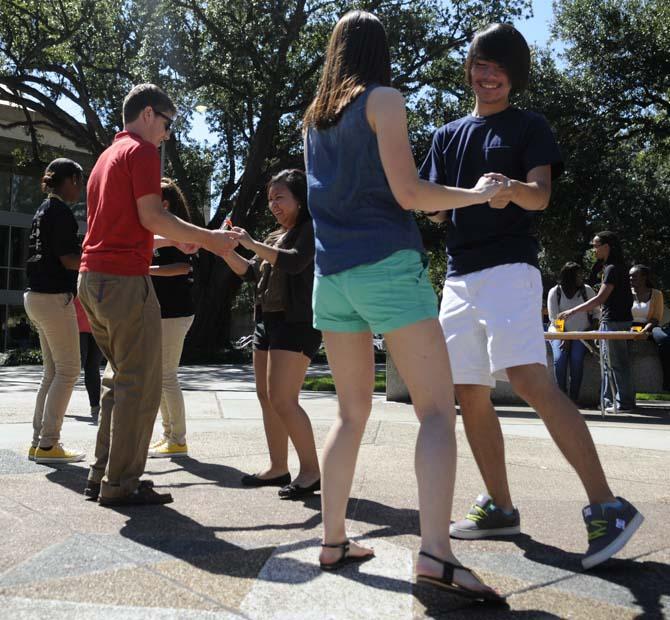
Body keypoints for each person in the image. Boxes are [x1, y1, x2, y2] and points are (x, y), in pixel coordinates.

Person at [421, 24, 642, 569]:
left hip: (510, 270)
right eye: (480, 64)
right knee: (467, 391)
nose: (487, 75)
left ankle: (607, 505)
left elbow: (540, 196)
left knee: (527, 377)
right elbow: (429, 206)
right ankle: (498, 506)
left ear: (514, 77)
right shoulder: (446, 134)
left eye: (499, 68)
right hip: (458, 276)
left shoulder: (529, 126)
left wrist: (511, 191)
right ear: (469, 68)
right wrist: (461, 199)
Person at [304, 11, 505, 601]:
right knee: (438, 412)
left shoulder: (313, 119)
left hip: (330, 277)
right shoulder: (383, 99)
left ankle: (334, 539)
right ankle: (437, 556)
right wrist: (478, 195)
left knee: (349, 413)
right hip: (387, 268)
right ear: (379, 50)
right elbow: (409, 193)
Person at [78, 83, 239, 507]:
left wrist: (174, 242)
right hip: (125, 282)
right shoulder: (143, 152)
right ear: (148, 114)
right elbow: (153, 215)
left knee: (118, 381)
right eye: (167, 123)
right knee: (141, 385)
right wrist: (210, 240)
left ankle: (103, 475)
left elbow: (126, 229)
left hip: (92, 279)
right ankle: (121, 483)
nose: (167, 134)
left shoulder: (104, 158)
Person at [221, 169, 322, 499]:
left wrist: (251, 242)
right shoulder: (276, 235)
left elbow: (293, 264)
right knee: (266, 397)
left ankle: (311, 472)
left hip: (297, 323)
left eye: (280, 197)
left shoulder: (311, 229)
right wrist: (224, 250)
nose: (273, 205)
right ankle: (278, 467)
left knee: (283, 398)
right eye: (270, 199)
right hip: (267, 320)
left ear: (299, 198)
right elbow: (251, 271)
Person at [24, 158, 85, 464]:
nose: (81, 189)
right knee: (70, 370)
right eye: (80, 182)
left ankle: (39, 441)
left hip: (35, 297)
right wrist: (93, 255)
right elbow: (69, 260)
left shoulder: (42, 210)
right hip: (52, 298)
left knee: (52, 372)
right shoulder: (60, 212)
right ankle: (49, 444)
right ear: (71, 179)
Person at [147, 178, 197, 458]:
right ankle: (169, 436)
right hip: (163, 312)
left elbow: (181, 267)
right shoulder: (160, 228)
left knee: (167, 375)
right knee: (161, 376)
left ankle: (177, 438)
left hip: (175, 312)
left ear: (164, 203)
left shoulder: (175, 227)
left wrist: (147, 269)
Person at [560, 232, 635, 413]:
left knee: (615, 364)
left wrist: (572, 311)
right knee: (617, 363)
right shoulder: (618, 267)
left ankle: (623, 403)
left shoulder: (611, 269)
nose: (593, 250)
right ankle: (614, 401)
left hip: (613, 323)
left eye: (595, 245)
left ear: (606, 246)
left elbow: (599, 299)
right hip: (622, 321)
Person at [547, 262, 597, 401]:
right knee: (560, 358)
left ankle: (573, 398)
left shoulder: (587, 290)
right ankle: (561, 397)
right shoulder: (555, 292)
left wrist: (591, 329)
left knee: (576, 359)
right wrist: (564, 337)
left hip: (582, 333)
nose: (582, 277)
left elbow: (597, 313)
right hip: (559, 332)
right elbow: (554, 318)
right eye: (578, 274)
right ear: (569, 277)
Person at [629, 264, 669, 391]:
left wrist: (645, 330)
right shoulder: (625, 293)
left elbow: (656, 317)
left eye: (634, 277)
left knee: (664, 339)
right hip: (629, 326)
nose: (631, 279)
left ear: (644, 277)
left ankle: (667, 381)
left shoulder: (656, 294)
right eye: (629, 276)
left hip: (650, 326)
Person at [74, 297, 103, 424]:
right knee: (73, 369)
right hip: (77, 326)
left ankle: (95, 407)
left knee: (93, 368)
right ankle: (54, 404)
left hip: (97, 326)